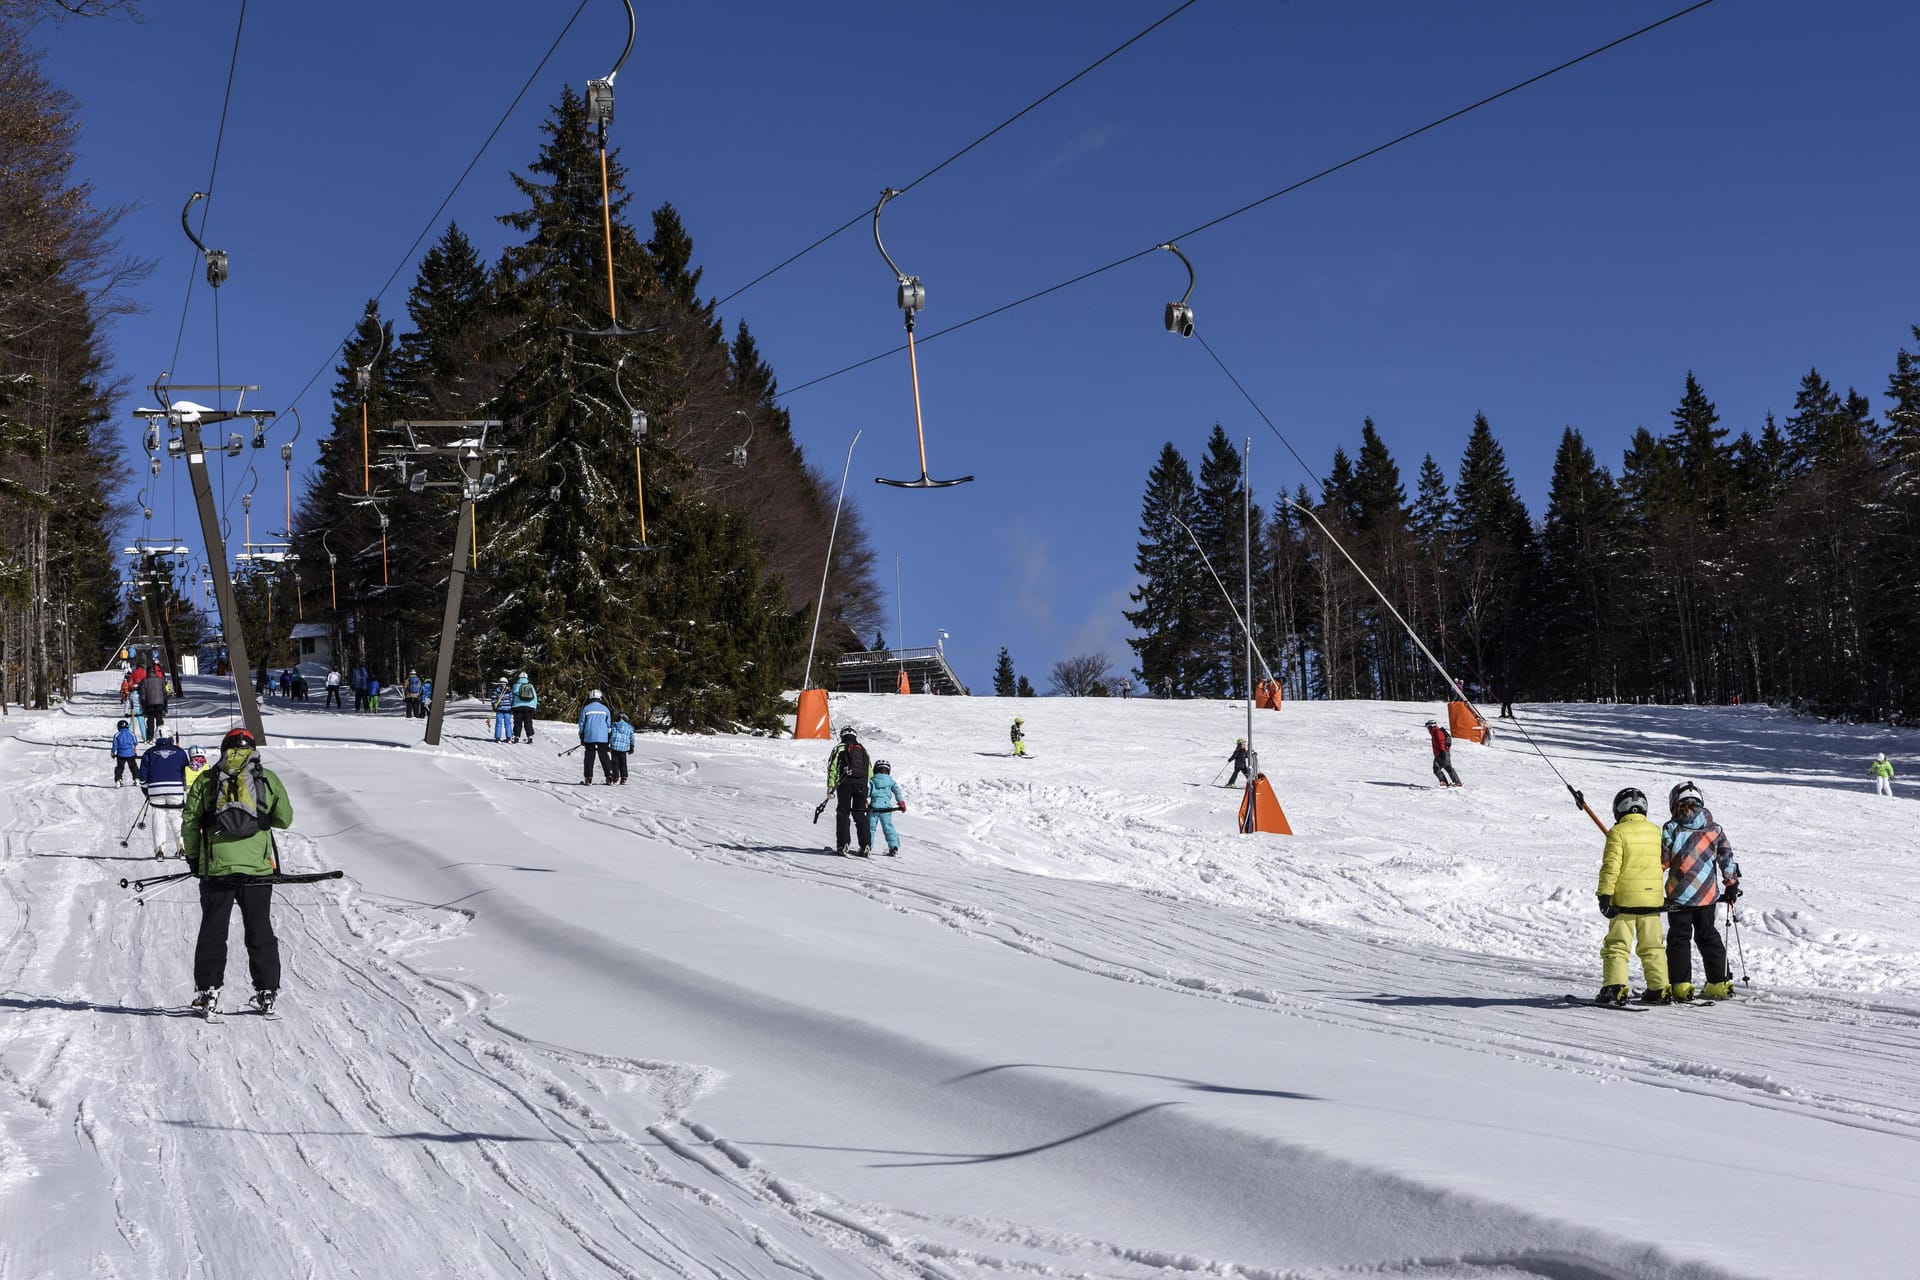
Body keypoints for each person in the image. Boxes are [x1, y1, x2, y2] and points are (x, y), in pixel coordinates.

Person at [181, 727, 293, 1019]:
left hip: (216, 869)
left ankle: (208, 991)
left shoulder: (207, 780)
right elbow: (285, 819)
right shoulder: (266, 779)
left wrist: (194, 859)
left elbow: (190, 823)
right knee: (259, 929)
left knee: (213, 931)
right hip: (257, 869)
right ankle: (267, 992)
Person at [1661, 782, 1740, 1002]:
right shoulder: (1714, 829)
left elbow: (1664, 862)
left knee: (1679, 938)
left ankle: (1681, 984)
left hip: (1680, 895)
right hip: (1707, 894)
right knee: (1708, 935)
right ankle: (1719, 982)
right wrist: (1731, 882)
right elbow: (1726, 856)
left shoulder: (1671, 828)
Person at [1593, 786, 1670, 1005]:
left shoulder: (1617, 833)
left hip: (1625, 901)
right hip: (1652, 901)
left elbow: (1611, 867)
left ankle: (1615, 988)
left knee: (1617, 945)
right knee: (1653, 946)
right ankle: (1659, 988)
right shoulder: (1656, 831)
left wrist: (1604, 895)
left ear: (1618, 809)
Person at [137, 734, 190, 859]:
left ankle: (159, 849)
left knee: (158, 820)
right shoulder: (180, 752)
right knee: (177, 818)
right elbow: (186, 772)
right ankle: (182, 846)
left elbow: (143, 777)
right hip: (175, 790)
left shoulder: (149, 753)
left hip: (156, 790)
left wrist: (146, 791)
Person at [826, 727, 873, 856]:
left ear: (842, 735)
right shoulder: (863, 749)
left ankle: (843, 844)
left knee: (843, 812)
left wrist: (830, 786)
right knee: (860, 814)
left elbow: (833, 768)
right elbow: (870, 771)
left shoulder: (839, 748)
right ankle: (866, 845)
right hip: (862, 786)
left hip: (845, 784)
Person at [868, 760, 906, 856]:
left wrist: (864, 800)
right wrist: (901, 802)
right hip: (886, 809)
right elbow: (897, 791)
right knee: (888, 827)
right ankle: (894, 847)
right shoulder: (891, 782)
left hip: (873, 807)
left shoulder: (872, 781)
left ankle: (867, 846)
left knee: (870, 828)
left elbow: (867, 792)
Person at [578, 689, 613, 784]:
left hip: (590, 736)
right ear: (600, 697)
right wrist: (609, 736)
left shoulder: (586, 708)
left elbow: (582, 723)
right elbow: (609, 724)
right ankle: (609, 775)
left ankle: (588, 777)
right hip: (603, 737)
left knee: (589, 756)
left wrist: (581, 735)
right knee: (604, 755)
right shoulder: (605, 709)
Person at [1425, 719, 1461, 787]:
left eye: (1428, 727)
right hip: (1438, 754)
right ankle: (1444, 782)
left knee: (1448, 767)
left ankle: (1457, 782)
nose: (1427, 729)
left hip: (1442, 752)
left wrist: (1443, 752)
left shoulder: (1437, 732)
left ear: (1431, 726)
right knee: (1436, 769)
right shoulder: (1434, 732)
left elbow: (1441, 742)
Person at [138, 664, 168, 742]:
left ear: (147, 672)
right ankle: (161, 736)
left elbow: (143, 695)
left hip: (149, 703)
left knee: (150, 721)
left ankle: (150, 737)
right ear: (154, 672)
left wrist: (143, 704)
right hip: (160, 703)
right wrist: (165, 703)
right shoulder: (160, 680)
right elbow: (165, 692)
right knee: (159, 720)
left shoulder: (144, 681)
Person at [510, 671, 539, 742]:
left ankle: (516, 736)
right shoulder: (530, 686)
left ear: (519, 678)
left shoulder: (515, 685)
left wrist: (511, 705)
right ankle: (530, 736)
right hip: (529, 707)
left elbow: (511, 697)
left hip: (517, 707)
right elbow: (535, 697)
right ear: (527, 678)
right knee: (528, 722)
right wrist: (534, 706)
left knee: (518, 722)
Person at [607, 710, 634, 784]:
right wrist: (632, 746)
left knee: (615, 763)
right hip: (624, 748)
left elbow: (609, 735)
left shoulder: (614, 726)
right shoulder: (629, 727)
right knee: (623, 763)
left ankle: (615, 777)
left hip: (614, 747)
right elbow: (632, 738)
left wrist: (607, 744)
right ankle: (624, 777)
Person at [110, 719, 138, 785]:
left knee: (119, 768)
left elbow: (115, 745)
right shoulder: (131, 733)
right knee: (133, 767)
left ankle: (118, 779)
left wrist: (113, 753)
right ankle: (137, 778)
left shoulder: (117, 735)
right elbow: (136, 742)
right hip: (131, 754)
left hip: (121, 755)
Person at [491, 677, 514, 742]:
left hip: (499, 709)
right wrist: (511, 706)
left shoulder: (496, 690)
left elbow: (493, 699)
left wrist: (494, 706)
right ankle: (509, 737)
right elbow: (511, 699)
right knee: (508, 723)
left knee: (498, 723)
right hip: (507, 709)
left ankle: (498, 737)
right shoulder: (509, 691)